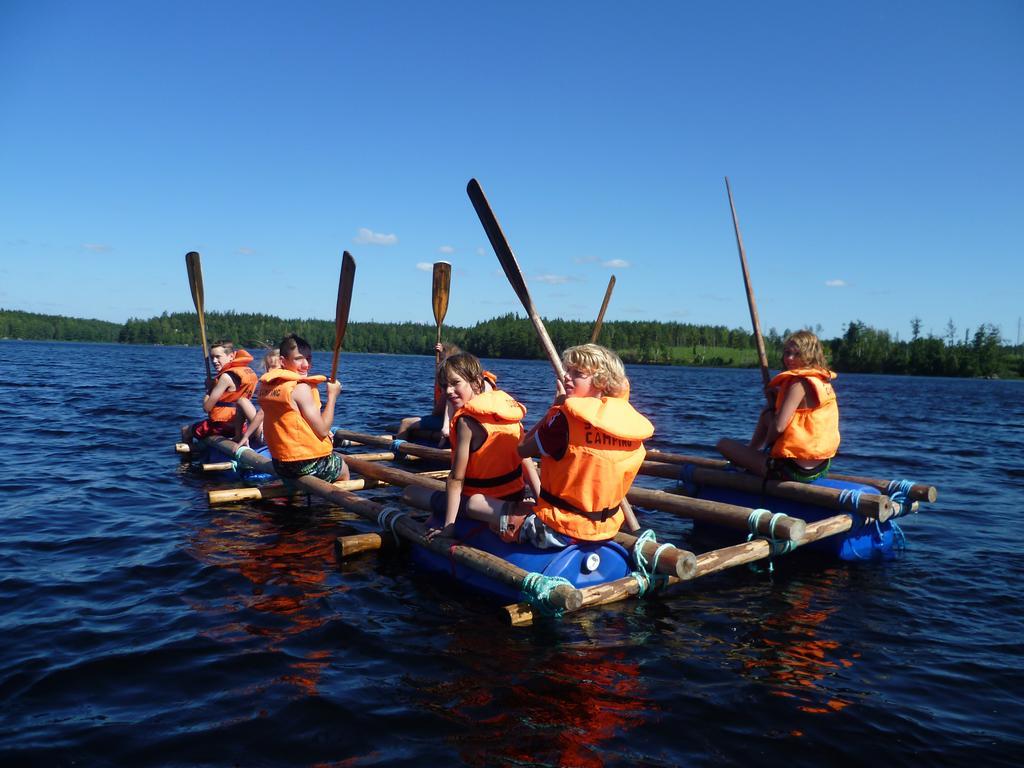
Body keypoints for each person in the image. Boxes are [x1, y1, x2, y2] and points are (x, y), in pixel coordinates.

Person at [446, 343, 654, 548]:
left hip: (559, 529)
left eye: (577, 374)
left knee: (475, 503)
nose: (566, 377)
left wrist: (555, 410)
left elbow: (523, 449)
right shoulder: (625, 421)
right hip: (606, 527)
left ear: (601, 381)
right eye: (567, 371)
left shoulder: (563, 422)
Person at [401, 352, 541, 540]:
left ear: (475, 382)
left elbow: (456, 479)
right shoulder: (508, 410)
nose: (448, 391)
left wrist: (449, 526)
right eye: (444, 386)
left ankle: (511, 518)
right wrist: (540, 497)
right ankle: (517, 510)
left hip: (480, 501)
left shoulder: (466, 422)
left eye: (455, 383)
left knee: (409, 493)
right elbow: (526, 460)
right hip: (515, 494)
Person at [716, 330, 840, 481]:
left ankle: (751, 458)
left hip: (792, 470)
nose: (789, 358)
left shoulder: (798, 383)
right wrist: (777, 398)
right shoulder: (820, 380)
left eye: (797, 354)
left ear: (809, 355)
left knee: (723, 444)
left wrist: (770, 445)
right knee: (767, 411)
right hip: (820, 467)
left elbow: (779, 427)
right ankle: (751, 453)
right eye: (787, 353)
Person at [257, 333, 349, 483]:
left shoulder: (268, 386)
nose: (306, 365)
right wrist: (332, 396)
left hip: (280, 463)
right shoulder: (300, 388)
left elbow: (293, 420)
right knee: (343, 467)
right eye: (299, 359)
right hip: (302, 464)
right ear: (283, 361)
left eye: (309, 358)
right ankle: (332, 506)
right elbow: (323, 430)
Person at [181, 340, 258, 443]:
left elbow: (207, 408)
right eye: (212, 357)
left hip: (222, 427)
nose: (214, 361)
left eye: (218, 357)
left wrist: (209, 389)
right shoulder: (246, 372)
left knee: (185, 430)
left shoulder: (225, 377)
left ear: (231, 356)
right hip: (241, 426)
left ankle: (187, 458)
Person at [394, 342, 462, 443]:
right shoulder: (458, 380)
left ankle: (398, 454)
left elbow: (439, 411)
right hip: (453, 421)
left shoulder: (449, 386)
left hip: (450, 421)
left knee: (405, 423)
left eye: (441, 360)